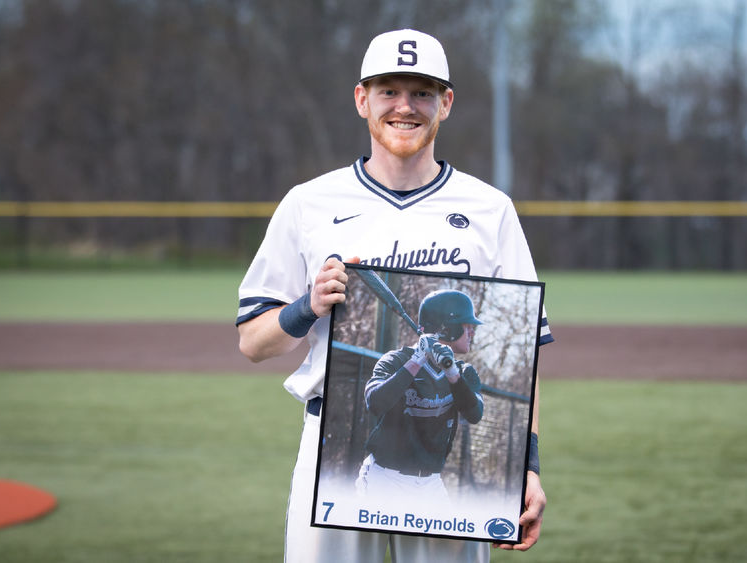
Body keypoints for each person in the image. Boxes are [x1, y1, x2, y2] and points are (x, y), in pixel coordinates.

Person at [237, 28, 553, 563]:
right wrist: (307, 307)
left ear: (445, 104)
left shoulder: (490, 209)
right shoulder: (308, 203)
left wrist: (528, 467)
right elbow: (252, 342)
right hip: (339, 455)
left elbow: (527, 364)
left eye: (422, 92)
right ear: (362, 99)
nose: (404, 106)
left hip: (434, 478)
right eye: (388, 90)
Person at [356, 290, 484, 504]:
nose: (472, 332)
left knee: (445, 537)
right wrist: (417, 361)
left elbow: (475, 414)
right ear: (447, 329)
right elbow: (375, 403)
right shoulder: (396, 360)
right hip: (385, 479)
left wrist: (451, 372)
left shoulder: (464, 372)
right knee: (370, 538)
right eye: (466, 326)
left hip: (431, 483)